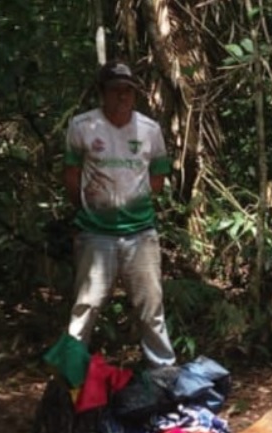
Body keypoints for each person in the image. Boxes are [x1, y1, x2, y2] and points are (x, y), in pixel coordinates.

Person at [63, 59, 176, 368]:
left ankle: (162, 373)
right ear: (103, 93)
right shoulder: (82, 126)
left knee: (150, 307)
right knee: (86, 306)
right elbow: (72, 174)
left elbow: (157, 176)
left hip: (140, 233)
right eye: (115, 91)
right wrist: (89, 209)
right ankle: (70, 374)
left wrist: (133, 201)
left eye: (128, 91)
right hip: (96, 233)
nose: (122, 97)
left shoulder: (149, 130)